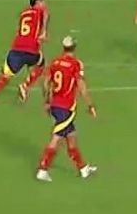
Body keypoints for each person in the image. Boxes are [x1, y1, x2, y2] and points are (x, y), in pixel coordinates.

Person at [36, 35, 97, 181]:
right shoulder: (75, 64)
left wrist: (46, 101)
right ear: (74, 47)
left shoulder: (55, 62)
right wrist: (90, 105)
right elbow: (81, 87)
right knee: (56, 138)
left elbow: (45, 83)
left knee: (71, 137)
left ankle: (83, 169)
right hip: (66, 107)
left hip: (55, 105)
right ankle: (43, 169)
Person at [0, 0, 48, 110]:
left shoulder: (23, 14)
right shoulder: (40, 11)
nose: (44, 5)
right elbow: (46, 14)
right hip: (31, 49)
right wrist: (44, 32)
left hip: (16, 48)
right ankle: (25, 85)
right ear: (37, 3)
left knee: (4, 76)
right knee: (41, 63)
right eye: (42, 2)